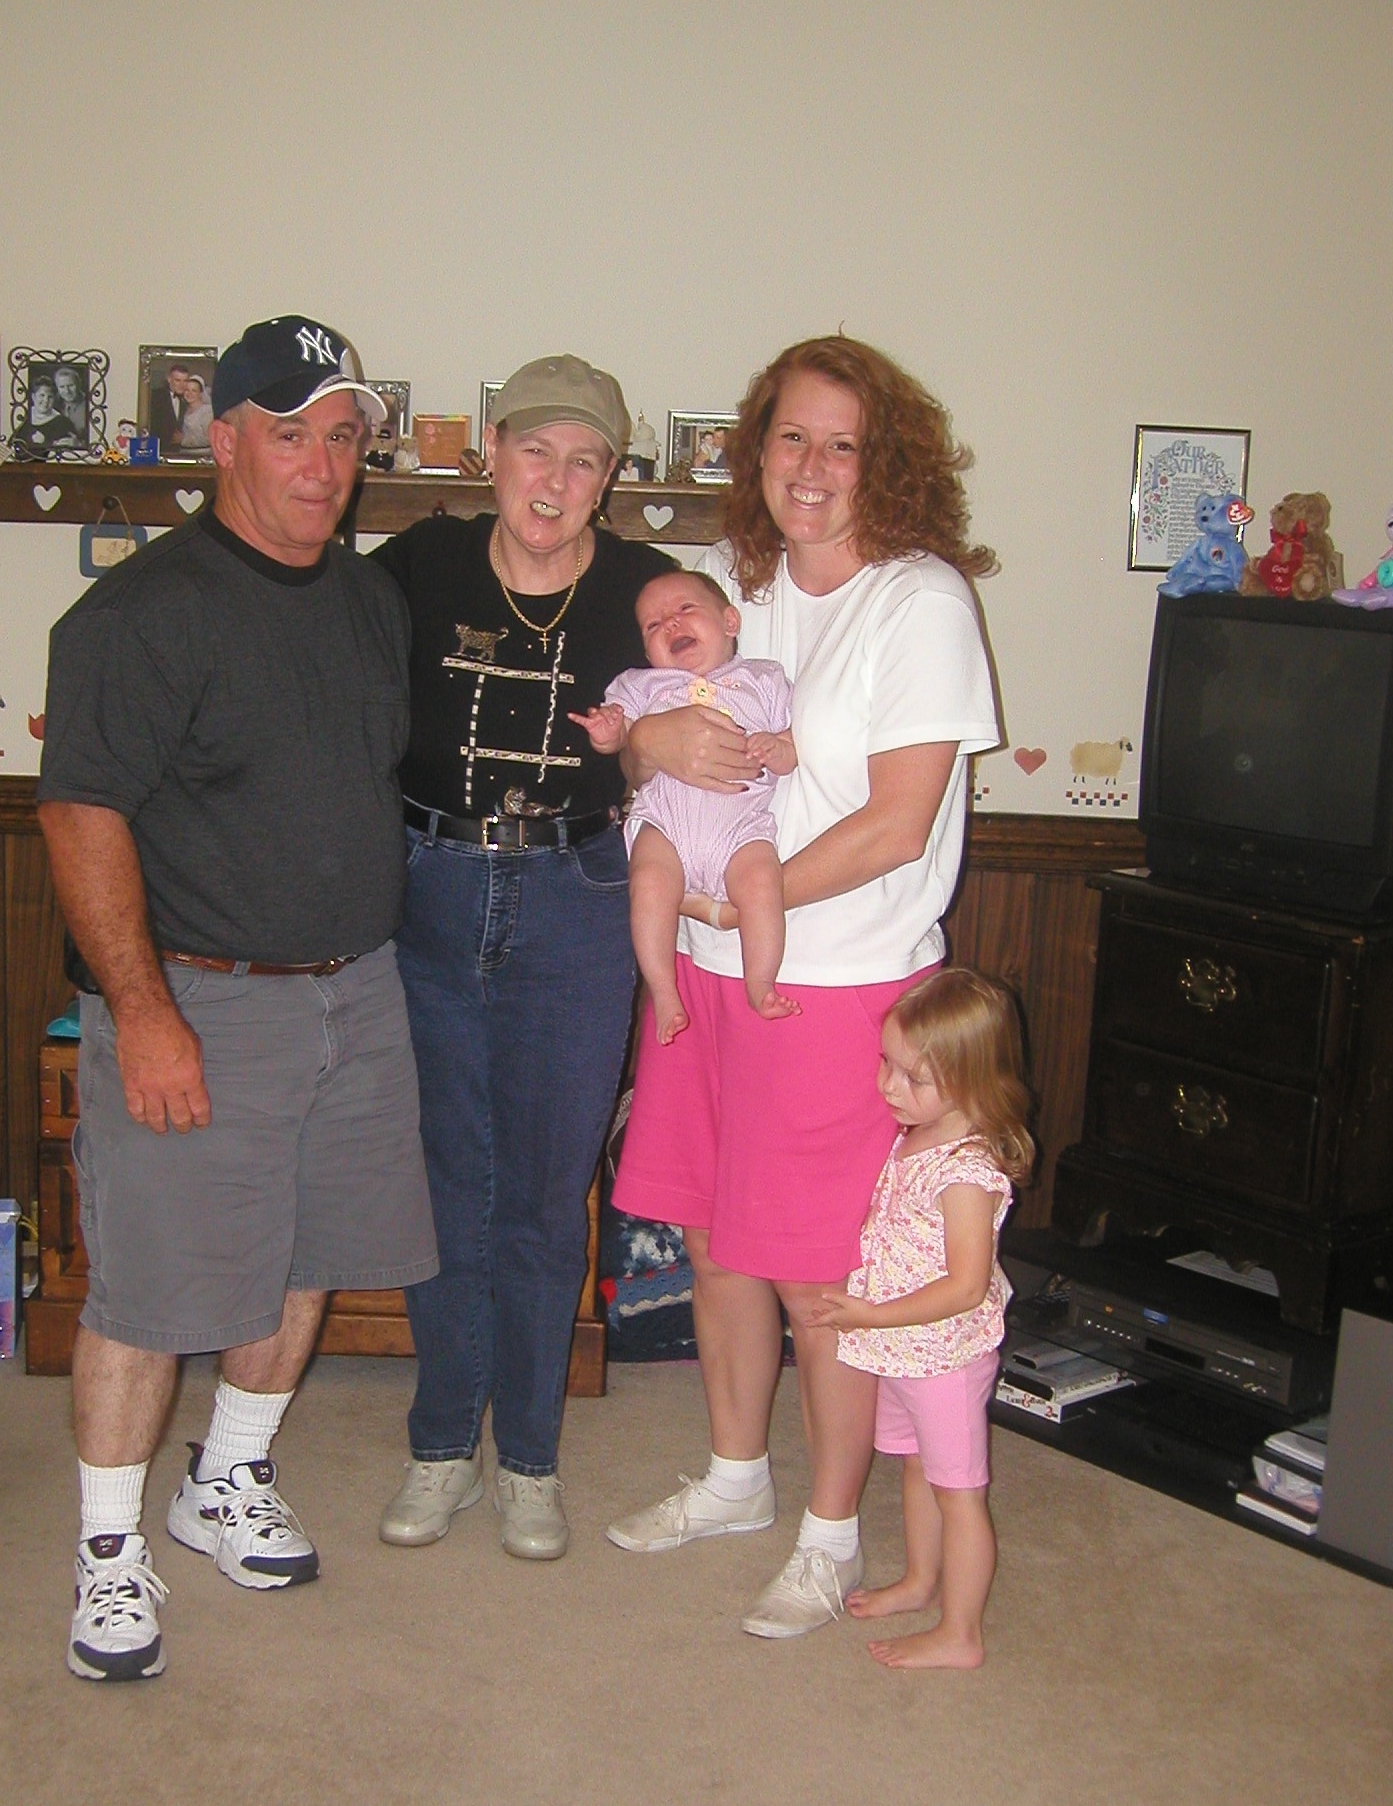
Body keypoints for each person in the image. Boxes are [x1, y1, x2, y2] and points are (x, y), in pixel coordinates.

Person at [37, 313, 438, 1682]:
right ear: (225, 442)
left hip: (357, 991)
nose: (323, 464)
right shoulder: (139, 616)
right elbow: (81, 815)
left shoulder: (369, 602)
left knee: (308, 1257)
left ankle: (229, 1480)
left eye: (344, 436)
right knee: (150, 1293)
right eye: (291, 433)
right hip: (201, 1003)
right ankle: (107, 1551)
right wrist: (144, 1011)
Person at [605, 333, 1001, 1642]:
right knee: (714, 1239)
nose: (814, 467)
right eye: (792, 437)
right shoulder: (733, 588)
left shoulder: (920, 601)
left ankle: (830, 1534)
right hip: (705, 974)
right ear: (756, 452)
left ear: (888, 462)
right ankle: (735, 1477)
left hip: (836, 989)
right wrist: (648, 743)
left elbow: (895, 825)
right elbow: (652, 750)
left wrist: (736, 904)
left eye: (844, 443)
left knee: (823, 1273)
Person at [371, 355, 675, 1561]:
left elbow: (723, 715)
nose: (555, 480)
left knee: (550, 1191)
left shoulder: (649, 590)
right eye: (536, 450)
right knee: (444, 1182)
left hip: (580, 892)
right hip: (430, 886)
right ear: (491, 451)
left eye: (584, 460)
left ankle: (531, 1459)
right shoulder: (416, 566)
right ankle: (443, 1444)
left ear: (610, 477)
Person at [805, 969, 1031, 1669]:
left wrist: (873, 1314)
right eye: (888, 1063)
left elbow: (965, 1286)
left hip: (943, 1359)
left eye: (914, 1078)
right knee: (916, 1469)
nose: (889, 1086)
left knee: (959, 1494)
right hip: (902, 1353)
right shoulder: (917, 1134)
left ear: (973, 1082)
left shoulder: (967, 1173)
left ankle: (961, 1633)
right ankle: (921, 1580)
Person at [570, 567, 797, 1042]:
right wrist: (607, 733)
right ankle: (663, 990)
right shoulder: (642, 685)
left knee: (762, 884)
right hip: (667, 825)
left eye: (685, 609)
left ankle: (760, 984)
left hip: (740, 827)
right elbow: (621, 738)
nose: (670, 624)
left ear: (730, 622)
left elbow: (794, 746)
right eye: (653, 625)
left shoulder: (764, 678)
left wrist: (777, 748)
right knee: (648, 885)